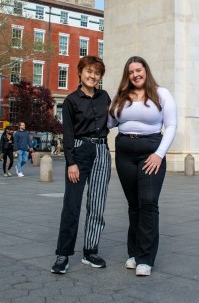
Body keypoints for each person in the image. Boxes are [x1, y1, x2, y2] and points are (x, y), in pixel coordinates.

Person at [108, 56, 177, 277]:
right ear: (127, 75)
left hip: (151, 151)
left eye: (139, 70)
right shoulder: (121, 97)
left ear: (146, 71)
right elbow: (110, 123)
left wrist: (159, 154)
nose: (135, 75)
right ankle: (135, 254)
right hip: (125, 151)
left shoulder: (161, 93)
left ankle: (145, 259)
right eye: (131, 72)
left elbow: (172, 125)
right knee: (133, 204)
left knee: (148, 202)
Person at [51, 56, 111, 275]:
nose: (92, 76)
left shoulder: (105, 97)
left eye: (97, 73)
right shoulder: (71, 101)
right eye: (89, 71)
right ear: (80, 72)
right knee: (72, 204)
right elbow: (67, 134)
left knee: (97, 204)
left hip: (102, 152)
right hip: (79, 150)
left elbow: (113, 119)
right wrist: (71, 162)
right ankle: (63, 254)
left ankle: (90, 251)